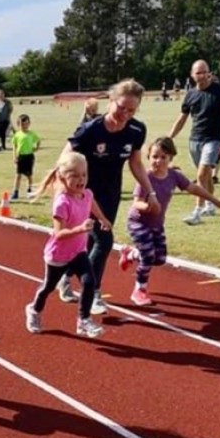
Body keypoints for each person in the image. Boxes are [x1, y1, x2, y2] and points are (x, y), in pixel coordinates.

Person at [56, 79, 155, 316]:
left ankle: (66, 277)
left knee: (89, 242)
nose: (125, 114)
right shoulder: (91, 130)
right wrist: (65, 189)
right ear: (111, 101)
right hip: (85, 193)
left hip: (111, 194)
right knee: (104, 241)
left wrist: (150, 191)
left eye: (131, 110)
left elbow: (136, 163)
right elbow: (64, 158)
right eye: (121, 107)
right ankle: (94, 293)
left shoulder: (137, 130)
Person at [118, 138, 220, 306]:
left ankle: (130, 254)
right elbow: (136, 202)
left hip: (156, 224)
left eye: (163, 157)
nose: (158, 161)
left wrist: (214, 200)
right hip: (138, 222)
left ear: (171, 158)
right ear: (149, 157)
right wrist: (148, 206)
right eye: (154, 156)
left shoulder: (174, 176)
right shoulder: (146, 178)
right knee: (148, 256)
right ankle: (139, 290)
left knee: (159, 259)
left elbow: (193, 188)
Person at [24, 151, 112, 338]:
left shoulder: (86, 194)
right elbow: (59, 234)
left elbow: (92, 203)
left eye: (84, 175)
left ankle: (84, 320)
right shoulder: (62, 203)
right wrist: (80, 229)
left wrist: (103, 218)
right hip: (59, 254)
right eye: (75, 175)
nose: (81, 180)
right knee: (48, 287)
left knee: (89, 282)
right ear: (63, 177)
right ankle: (34, 310)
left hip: (78, 252)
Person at [167, 60, 220, 226]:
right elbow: (182, 119)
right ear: (192, 75)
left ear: (209, 72)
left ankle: (197, 213)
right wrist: (169, 137)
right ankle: (209, 204)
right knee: (206, 176)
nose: (202, 75)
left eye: (204, 72)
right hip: (195, 139)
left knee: (201, 175)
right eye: (198, 73)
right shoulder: (191, 94)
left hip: (214, 139)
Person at [10, 114, 39, 200]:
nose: (24, 126)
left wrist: (36, 148)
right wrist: (14, 156)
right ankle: (16, 192)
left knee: (29, 175)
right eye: (22, 124)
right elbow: (14, 146)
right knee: (18, 175)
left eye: (26, 124)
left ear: (29, 124)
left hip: (29, 156)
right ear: (19, 125)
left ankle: (30, 190)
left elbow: (38, 141)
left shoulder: (31, 134)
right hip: (21, 156)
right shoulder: (17, 135)